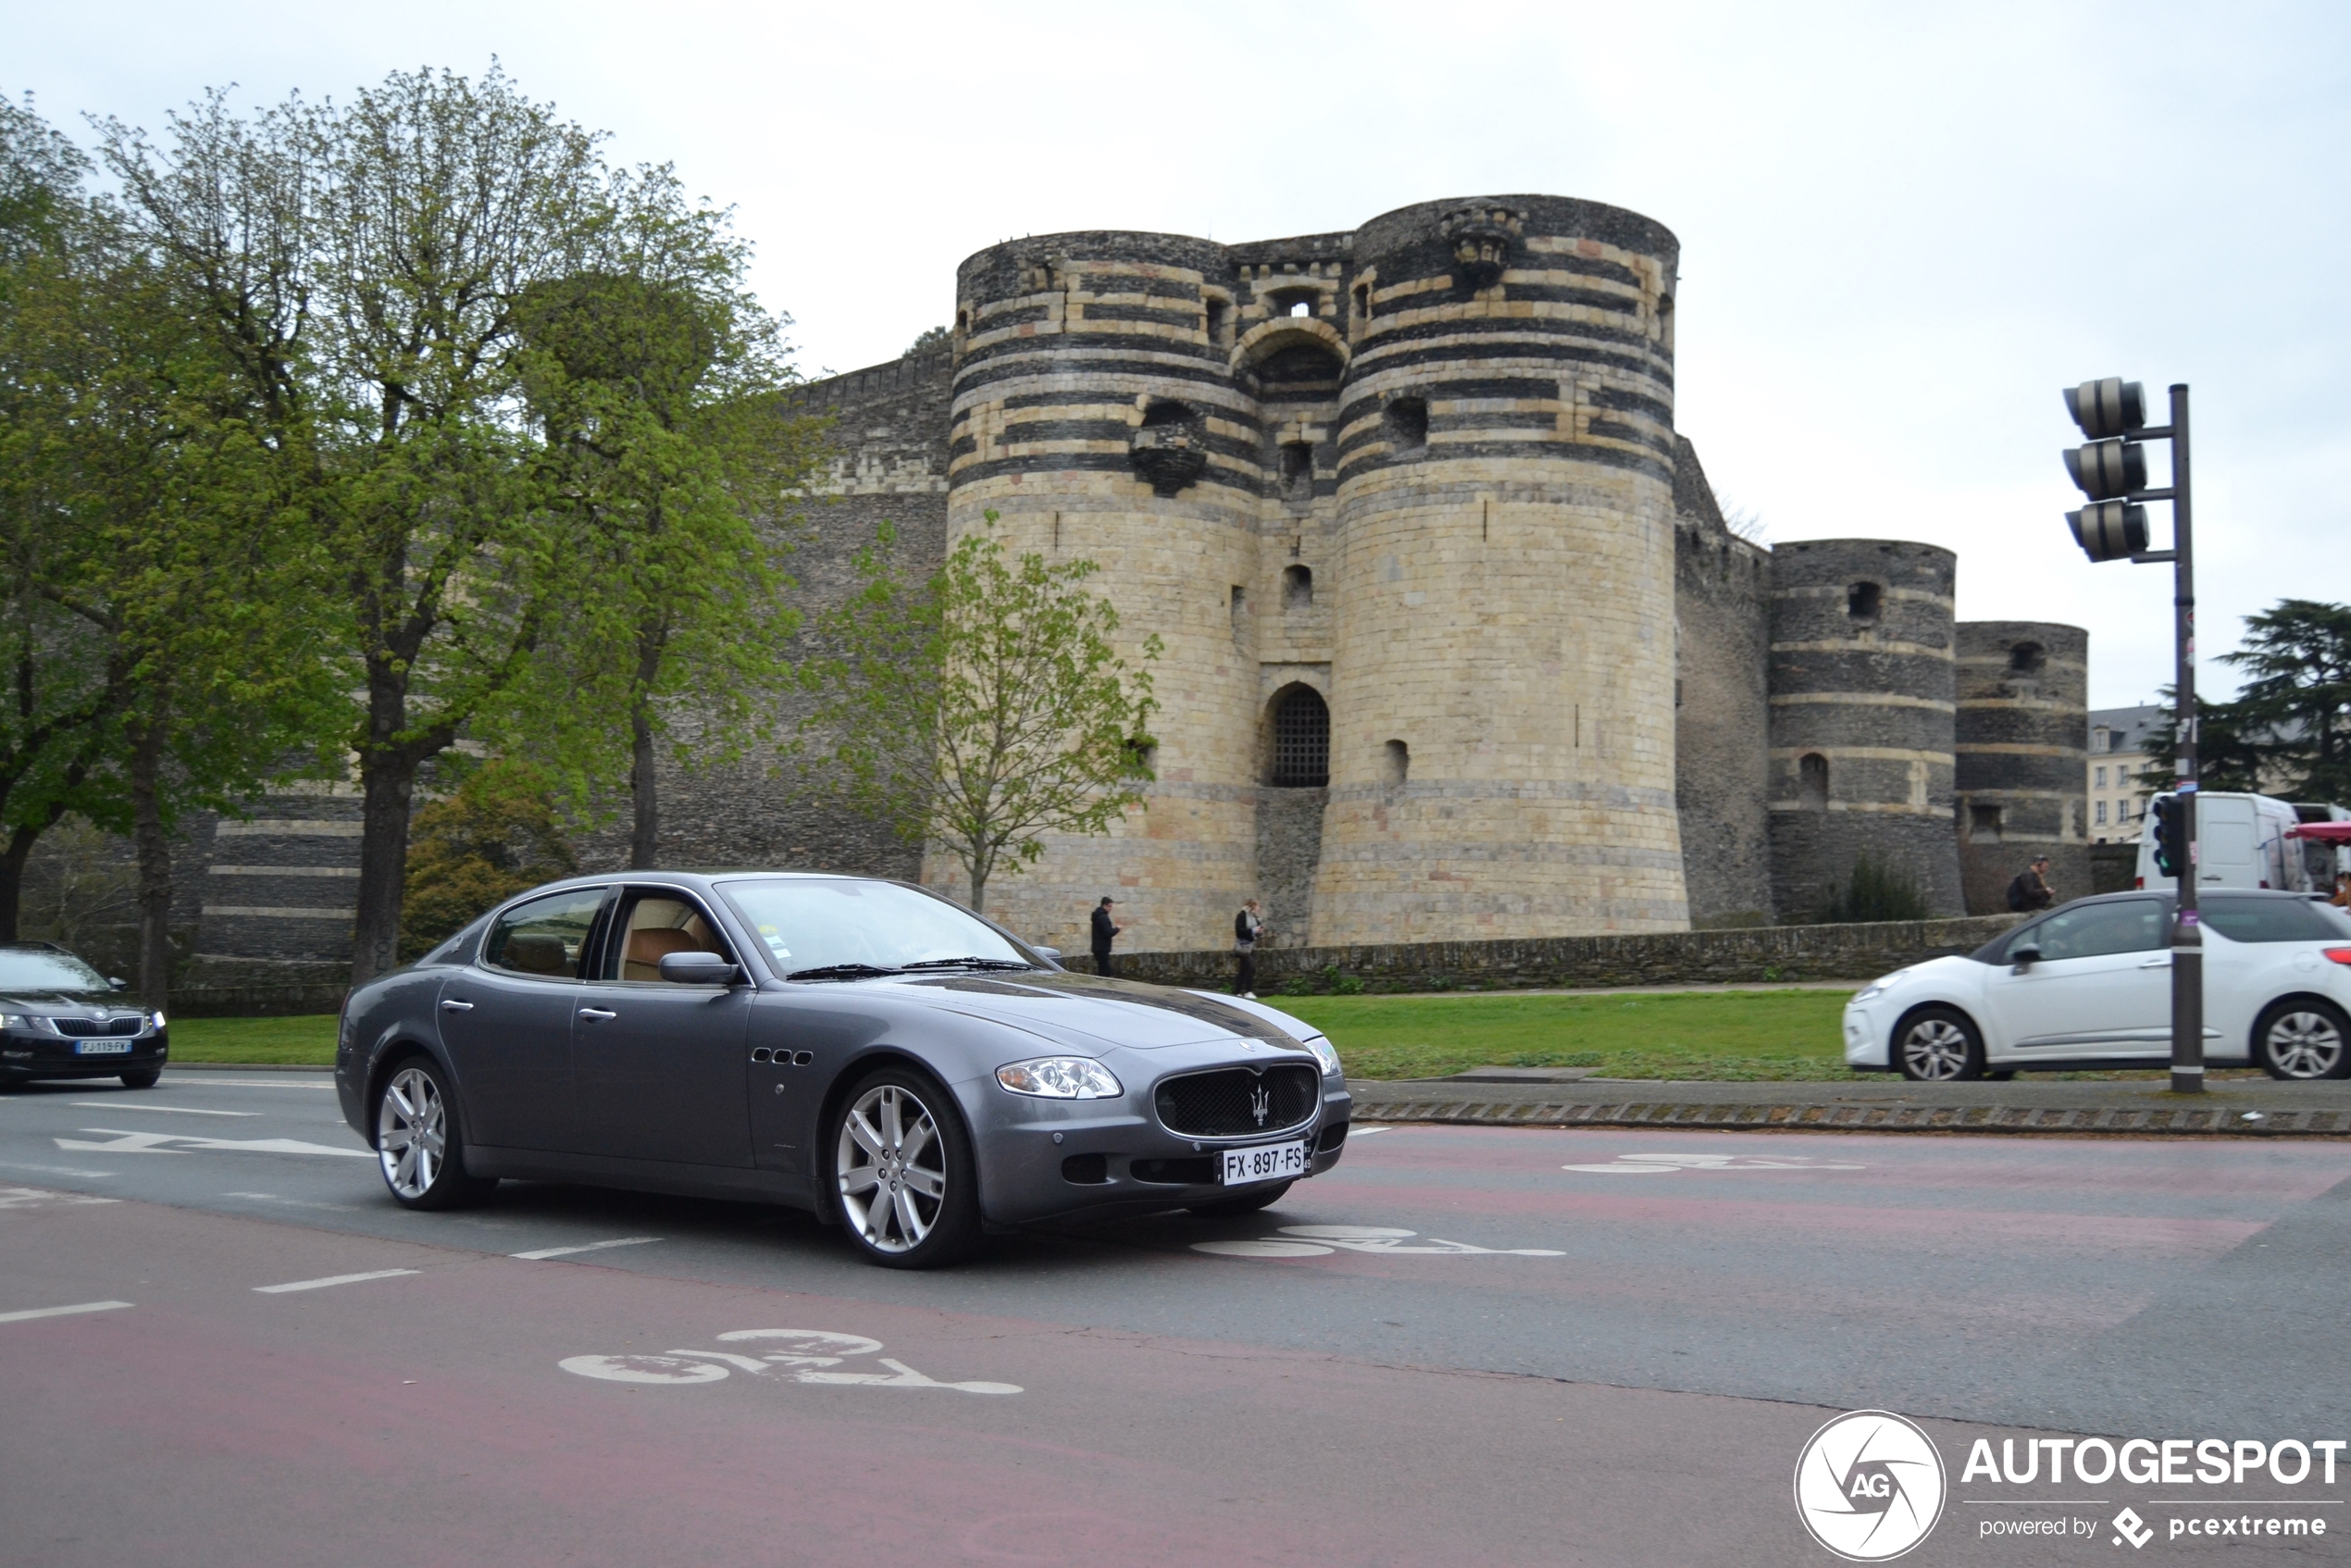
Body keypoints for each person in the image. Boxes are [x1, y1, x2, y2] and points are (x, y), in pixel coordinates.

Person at [1233, 899, 1263, 998]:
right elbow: (1239, 930)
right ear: (1252, 906)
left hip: (1251, 946)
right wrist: (1252, 931)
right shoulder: (1242, 916)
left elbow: (1258, 930)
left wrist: (1258, 931)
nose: (1258, 908)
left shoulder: (1254, 918)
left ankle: (1237, 992)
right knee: (1250, 967)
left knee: (1244, 969)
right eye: (1257, 906)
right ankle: (1248, 991)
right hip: (1243, 946)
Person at [1089, 896, 1122, 977]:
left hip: (1098, 948)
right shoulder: (1103, 917)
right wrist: (1117, 929)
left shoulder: (1098, 916)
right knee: (1105, 972)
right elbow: (1107, 933)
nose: (1111, 909)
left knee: (1103, 969)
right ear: (1104, 906)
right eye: (1109, 906)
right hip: (1102, 948)